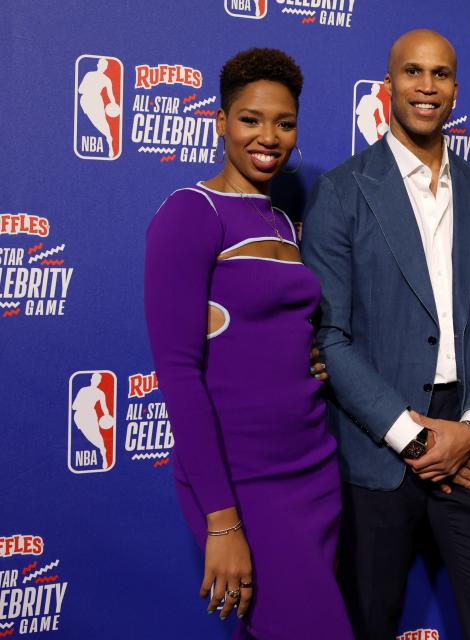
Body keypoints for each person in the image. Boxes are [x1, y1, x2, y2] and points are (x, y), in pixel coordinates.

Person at [302, 29, 470, 640]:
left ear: (455, 89)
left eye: (440, 74)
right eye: (412, 72)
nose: (426, 86)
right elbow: (331, 335)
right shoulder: (343, 191)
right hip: (377, 440)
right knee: (366, 621)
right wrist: (411, 436)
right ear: (388, 87)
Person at [144, 48, 351, 639]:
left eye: (285, 124)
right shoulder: (192, 212)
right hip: (243, 480)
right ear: (220, 122)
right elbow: (179, 373)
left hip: (312, 465)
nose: (269, 137)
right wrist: (222, 521)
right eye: (251, 119)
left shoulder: (284, 222)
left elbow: (280, 328)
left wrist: (309, 359)